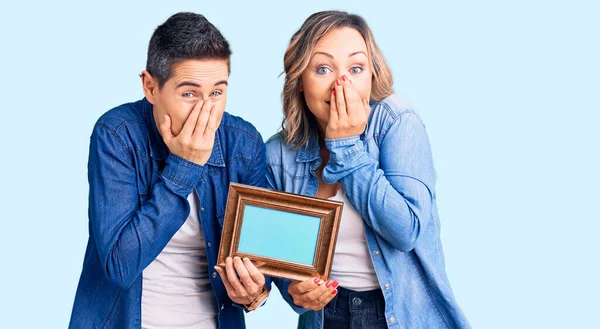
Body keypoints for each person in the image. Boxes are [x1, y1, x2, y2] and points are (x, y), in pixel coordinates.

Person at [69, 12, 295, 329]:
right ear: (151, 87)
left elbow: (260, 265)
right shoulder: (117, 135)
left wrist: (255, 291)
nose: (206, 111)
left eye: (217, 92)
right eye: (189, 93)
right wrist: (184, 167)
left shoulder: (243, 144)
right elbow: (120, 266)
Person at [266, 10, 471, 328]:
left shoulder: (397, 123)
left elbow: (406, 232)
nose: (341, 83)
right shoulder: (279, 154)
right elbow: (277, 259)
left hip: (397, 316)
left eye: (356, 68)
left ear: (372, 76)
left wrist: (346, 146)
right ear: (300, 82)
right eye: (323, 68)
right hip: (324, 318)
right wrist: (294, 290)